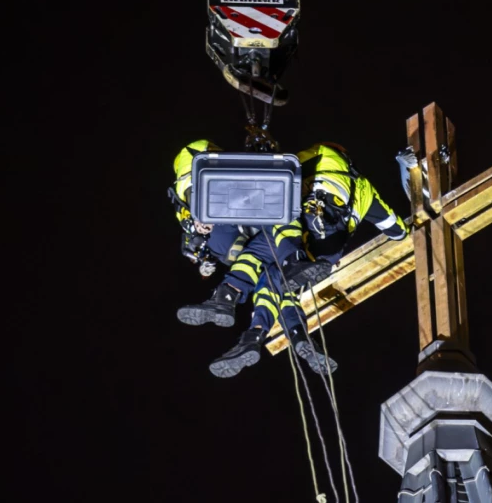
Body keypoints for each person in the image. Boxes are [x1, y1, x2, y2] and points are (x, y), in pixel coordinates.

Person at [169, 140, 334, 378]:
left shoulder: (186, 184)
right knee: (281, 224)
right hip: (249, 235)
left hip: (231, 246)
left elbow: (192, 237)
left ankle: (250, 329)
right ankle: (294, 328)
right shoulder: (199, 160)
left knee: (270, 281)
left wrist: (199, 245)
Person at [282, 142, 410, 291]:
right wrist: (404, 234)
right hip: (330, 226)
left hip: (316, 210)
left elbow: (281, 172)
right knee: (325, 256)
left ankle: (289, 271)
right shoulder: (366, 189)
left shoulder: (319, 152)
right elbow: (395, 227)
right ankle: (292, 273)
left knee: (285, 242)